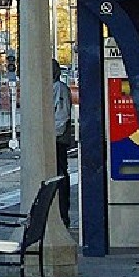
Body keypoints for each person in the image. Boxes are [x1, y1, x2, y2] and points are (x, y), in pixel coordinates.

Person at [52, 61, 75, 227]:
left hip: (57, 140)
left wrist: (52, 135)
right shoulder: (57, 88)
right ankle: (61, 212)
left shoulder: (59, 89)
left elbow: (61, 115)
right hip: (57, 138)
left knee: (60, 174)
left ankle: (62, 213)